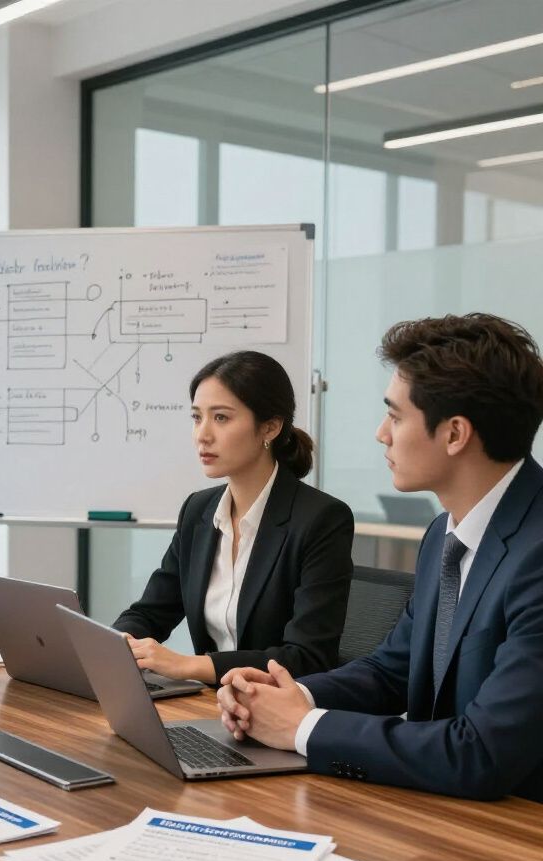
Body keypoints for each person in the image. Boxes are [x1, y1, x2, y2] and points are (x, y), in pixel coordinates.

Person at [217, 313, 543, 802]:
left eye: (394, 415)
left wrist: (303, 728)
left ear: (455, 434)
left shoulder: (536, 555)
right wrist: (287, 696)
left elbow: (481, 753)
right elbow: (392, 669)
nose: (381, 434)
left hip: (513, 841)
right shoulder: (444, 534)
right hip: (439, 817)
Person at [113, 350, 354, 685]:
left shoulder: (321, 519)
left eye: (221, 418)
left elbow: (306, 657)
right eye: (197, 418)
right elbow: (149, 613)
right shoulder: (199, 511)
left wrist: (190, 666)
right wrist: (120, 642)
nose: (202, 435)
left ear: (270, 427)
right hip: (207, 707)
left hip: (276, 716)